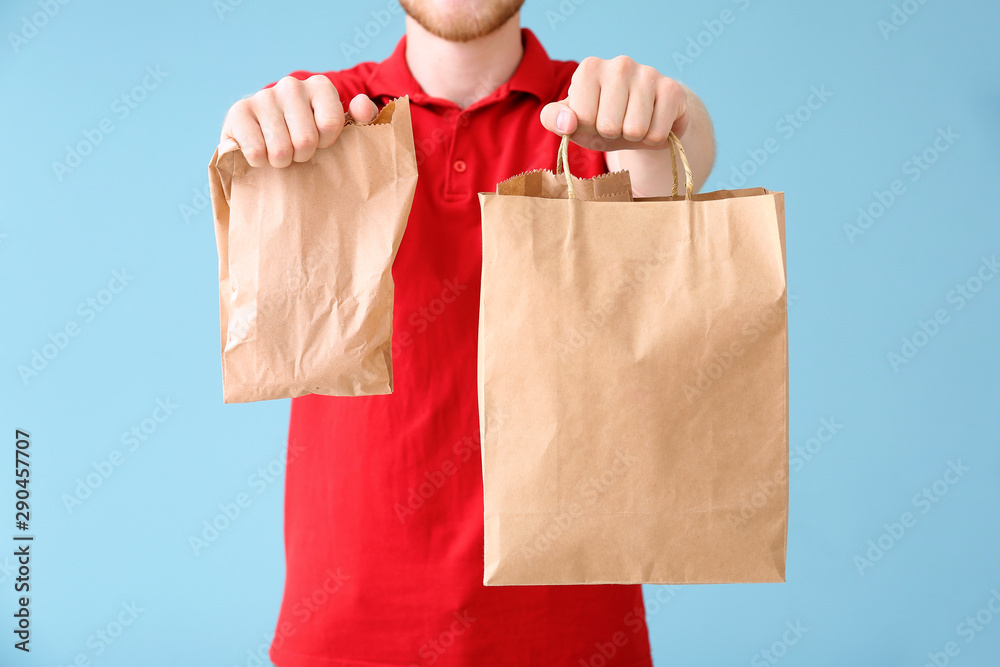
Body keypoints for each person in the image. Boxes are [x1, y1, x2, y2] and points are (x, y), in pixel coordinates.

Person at [217, 1, 715, 665]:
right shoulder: (326, 113)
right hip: (346, 639)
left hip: (572, 638)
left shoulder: (597, 117)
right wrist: (244, 135)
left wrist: (670, 121)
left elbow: (680, 159)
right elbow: (248, 152)